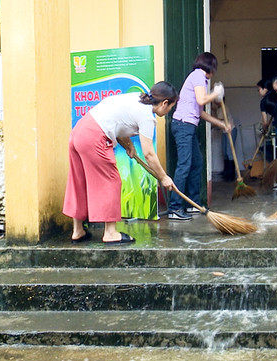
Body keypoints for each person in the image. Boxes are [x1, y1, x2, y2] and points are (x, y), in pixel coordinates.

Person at [63, 82, 178, 244]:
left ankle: (78, 230)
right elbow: (149, 154)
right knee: (110, 180)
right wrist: (163, 177)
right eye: (170, 108)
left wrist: (129, 145)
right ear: (165, 103)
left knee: (79, 181)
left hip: (78, 132)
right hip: (94, 137)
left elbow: (115, 121)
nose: (168, 112)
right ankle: (110, 233)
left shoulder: (134, 98)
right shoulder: (147, 116)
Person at [169, 52, 230, 221]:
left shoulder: (199, 80)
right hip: (183, 125)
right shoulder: (197, 75)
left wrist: (221, 124)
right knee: (184, 164)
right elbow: (202, 100)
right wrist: (216, 93)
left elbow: (200, 112)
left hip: (188, 126)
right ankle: (174, 208)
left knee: (196, 163)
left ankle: (193, 205)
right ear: (210, 66)